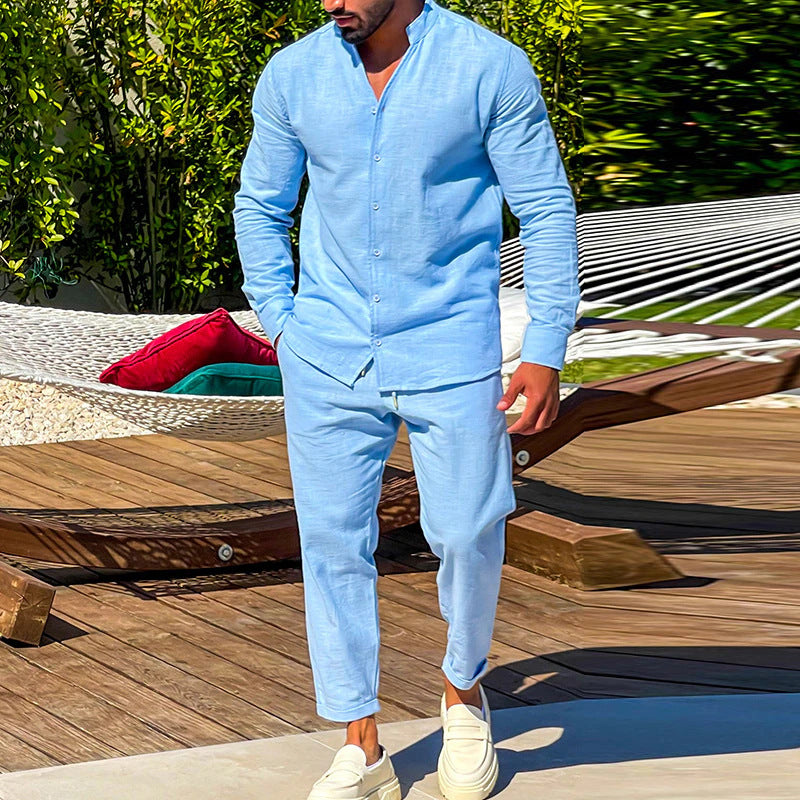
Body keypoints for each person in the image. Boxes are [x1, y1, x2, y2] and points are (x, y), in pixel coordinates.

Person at [233, 0, 580, 796]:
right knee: (331, 542)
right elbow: (260, 204)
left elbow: (545, 206)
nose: (332, 3)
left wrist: (545, 346)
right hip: (326, 350)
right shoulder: (293, 74)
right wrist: (282, 321)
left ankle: (463, 694)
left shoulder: (489, 67)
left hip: (450, 342)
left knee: (467, 528)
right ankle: (361, 745)